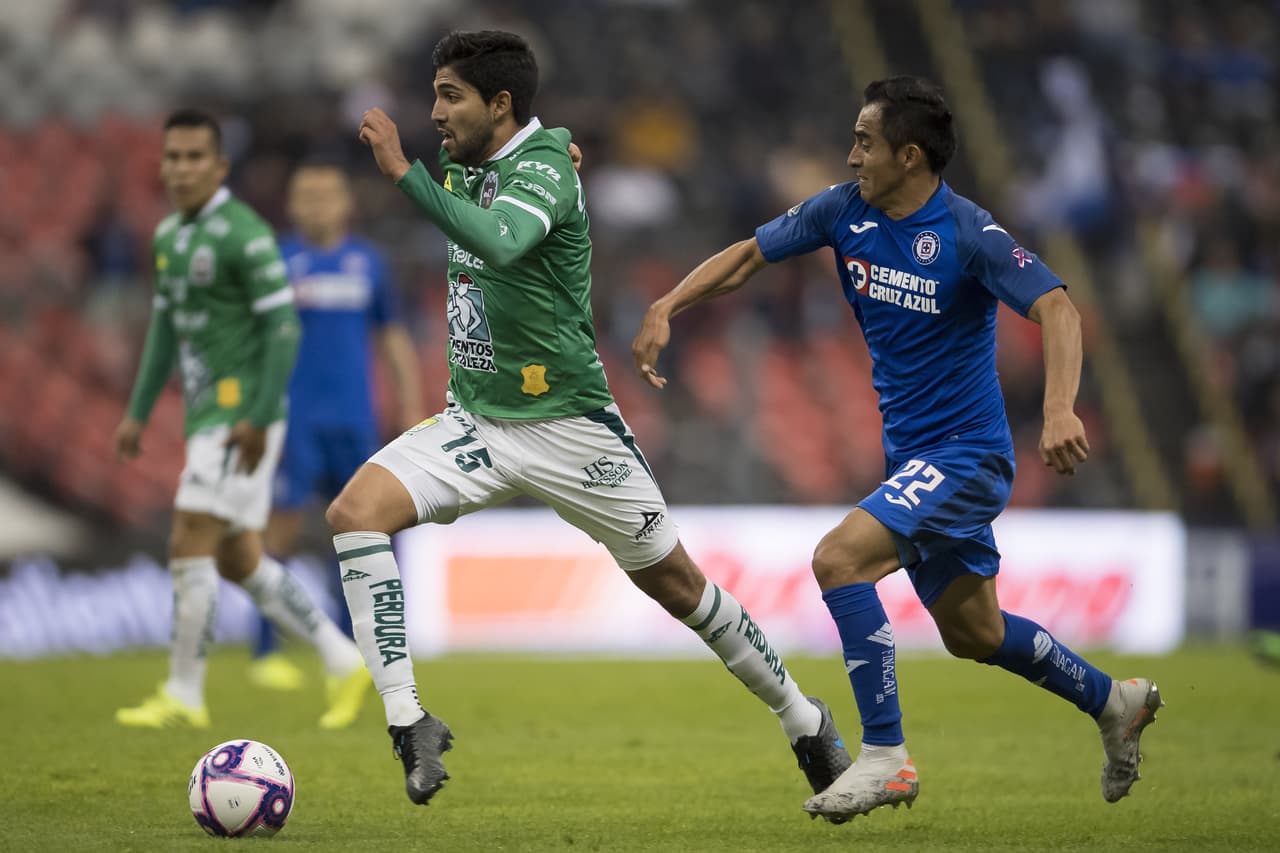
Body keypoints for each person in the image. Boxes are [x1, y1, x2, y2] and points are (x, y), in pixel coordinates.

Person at [329, 29, 852, 809]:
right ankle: (410, 720)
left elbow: (503, 244)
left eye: (450, 96)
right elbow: (489, 184)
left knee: (678, 585)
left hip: (569, 427)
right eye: (435, 94)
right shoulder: (478, 161)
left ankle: (804, 719)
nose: (434, 112)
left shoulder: (540, 171)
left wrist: (401, 170)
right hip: (476, 420)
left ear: (499, 104)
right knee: (354, 514)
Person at [631, 76, 1164, 822]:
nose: (851, 156)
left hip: (968, 456)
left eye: (864, 142)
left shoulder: (969, 233)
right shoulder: (843, 211)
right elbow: (751, 255)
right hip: (913, 460)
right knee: (975, 633)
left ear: (909, 156)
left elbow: (1058, 307)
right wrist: (668, 303)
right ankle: (1115, 700)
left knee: (837, 558)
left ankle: (884, 756)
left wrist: (1057, 408)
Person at [113, 109, 371, 730]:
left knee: (187, 538)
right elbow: (164, 331)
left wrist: (258, 417)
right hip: (209, 412)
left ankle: (183, 692)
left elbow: (283, 327)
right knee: (238, 559)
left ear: (220, 166)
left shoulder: (244, 234)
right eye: (172, 157)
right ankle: (343, 660)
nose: (181, 168)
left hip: (240, 414)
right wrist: (138, 412)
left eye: (195, 157)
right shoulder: (169, 236)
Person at [246, 163, 424, 717]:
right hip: (292, 418)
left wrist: (413, 404)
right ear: (292, 205)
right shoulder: (275, 262)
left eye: (328, 194)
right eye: (307, 195)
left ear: (347, 203)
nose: (318, 204)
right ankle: (265, 649)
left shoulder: (368, 263)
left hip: (356, 420)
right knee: (282, 525)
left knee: (367, 528)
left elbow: (392, 335)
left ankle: (357, 645)